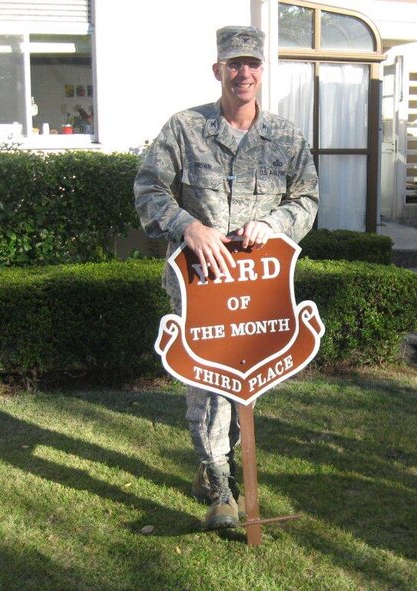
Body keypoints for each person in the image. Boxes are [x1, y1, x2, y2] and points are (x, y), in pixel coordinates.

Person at [134, 25, 319, 530]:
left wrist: (274, 224)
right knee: (208, 383)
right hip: (199, 285)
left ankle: (218, 463)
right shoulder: (184, 128)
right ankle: (219, 481)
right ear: (218, 70)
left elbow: (307, 200)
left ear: (262, 70)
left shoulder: (286, 137)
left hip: (259, 288)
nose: (244, 73)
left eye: (252, 63)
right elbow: (148, 189)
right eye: (234, 63)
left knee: (247, 382)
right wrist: (188, 226)